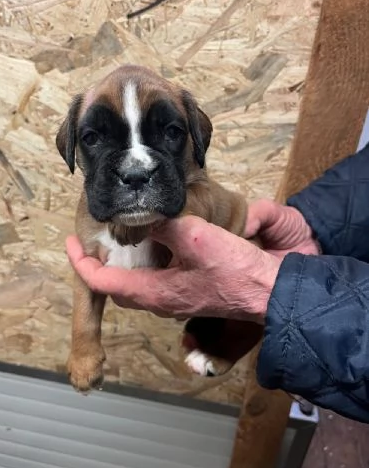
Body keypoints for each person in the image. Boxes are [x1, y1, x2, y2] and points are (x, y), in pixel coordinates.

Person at [66, 143, 369, 423]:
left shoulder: (190, 182)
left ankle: (239, 336)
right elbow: (86, 272)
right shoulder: (94, 203)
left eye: (170, 133)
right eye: (94, 138)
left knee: (246, 291)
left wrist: (270, 293)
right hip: (324, 256)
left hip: (268, 271)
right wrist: (315, 225)